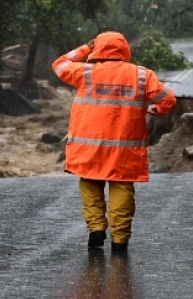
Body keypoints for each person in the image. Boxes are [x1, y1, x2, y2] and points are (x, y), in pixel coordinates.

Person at [52, 31, 176, 252]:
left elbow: (60, 64)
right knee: (122, 189)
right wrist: (152, 110)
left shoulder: (85, 73)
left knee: (90, 184)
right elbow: (168, 100)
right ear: (125, 50)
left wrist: (84, 48)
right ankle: (120, 240)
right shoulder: (141, 75)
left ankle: (96, 229)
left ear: (98, 49)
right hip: (124, 150)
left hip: (89, 147)